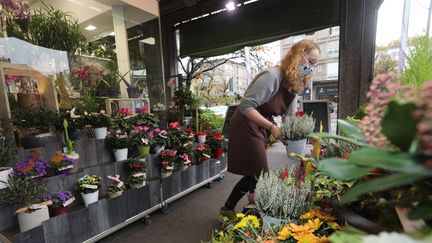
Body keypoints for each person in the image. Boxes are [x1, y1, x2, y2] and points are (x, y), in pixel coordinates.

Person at [219, 39, 321, 218]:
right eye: (310, 62)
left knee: (254, 172)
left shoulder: (293, 84)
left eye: (315, 64)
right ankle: (253, 214)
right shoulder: (272, 75)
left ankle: (228, 208)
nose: (311, 68)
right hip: (245, 124)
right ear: (299, 56)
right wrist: (272, 127)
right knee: (261, 172)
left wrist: (307, 135)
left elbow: (290, 118)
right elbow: (246, 106)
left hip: (260, 126)